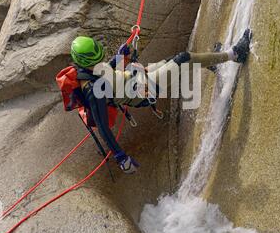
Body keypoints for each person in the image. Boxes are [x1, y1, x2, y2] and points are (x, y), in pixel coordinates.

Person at [70, 29, 252, 174]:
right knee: (183, 59)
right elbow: (102, 126)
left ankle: (210, 61)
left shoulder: (89, 69)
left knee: (173, 59)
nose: (98, 63)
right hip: (144, 90)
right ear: (84, 62)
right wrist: (121, 157)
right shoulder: (92, 90)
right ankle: (235, 54)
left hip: (138, 77)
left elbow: (105, 73)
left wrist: (117, 59)